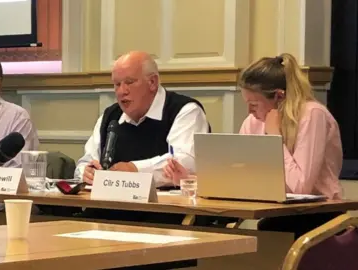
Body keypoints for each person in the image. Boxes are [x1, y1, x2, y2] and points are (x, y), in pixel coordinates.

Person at [165, 53, 343, 239]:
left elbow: (300, 187)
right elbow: (240, 178)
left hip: (320, 219)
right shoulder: (253, 122)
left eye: (254, 104)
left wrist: (275, 137)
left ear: (279, 97)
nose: (249, 111)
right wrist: (192, 180)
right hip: (275, 215)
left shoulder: (312, 115)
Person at [75, 51, 209, 224]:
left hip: (164, 217)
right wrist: (87, 173)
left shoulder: (184, 111)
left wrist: (135, 170)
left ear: (152, 82)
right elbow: (84, 162)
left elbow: (184, 162)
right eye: (116, 84)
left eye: (130, 82)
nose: (122, 91)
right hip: (106, 214)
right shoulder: (111, 117)